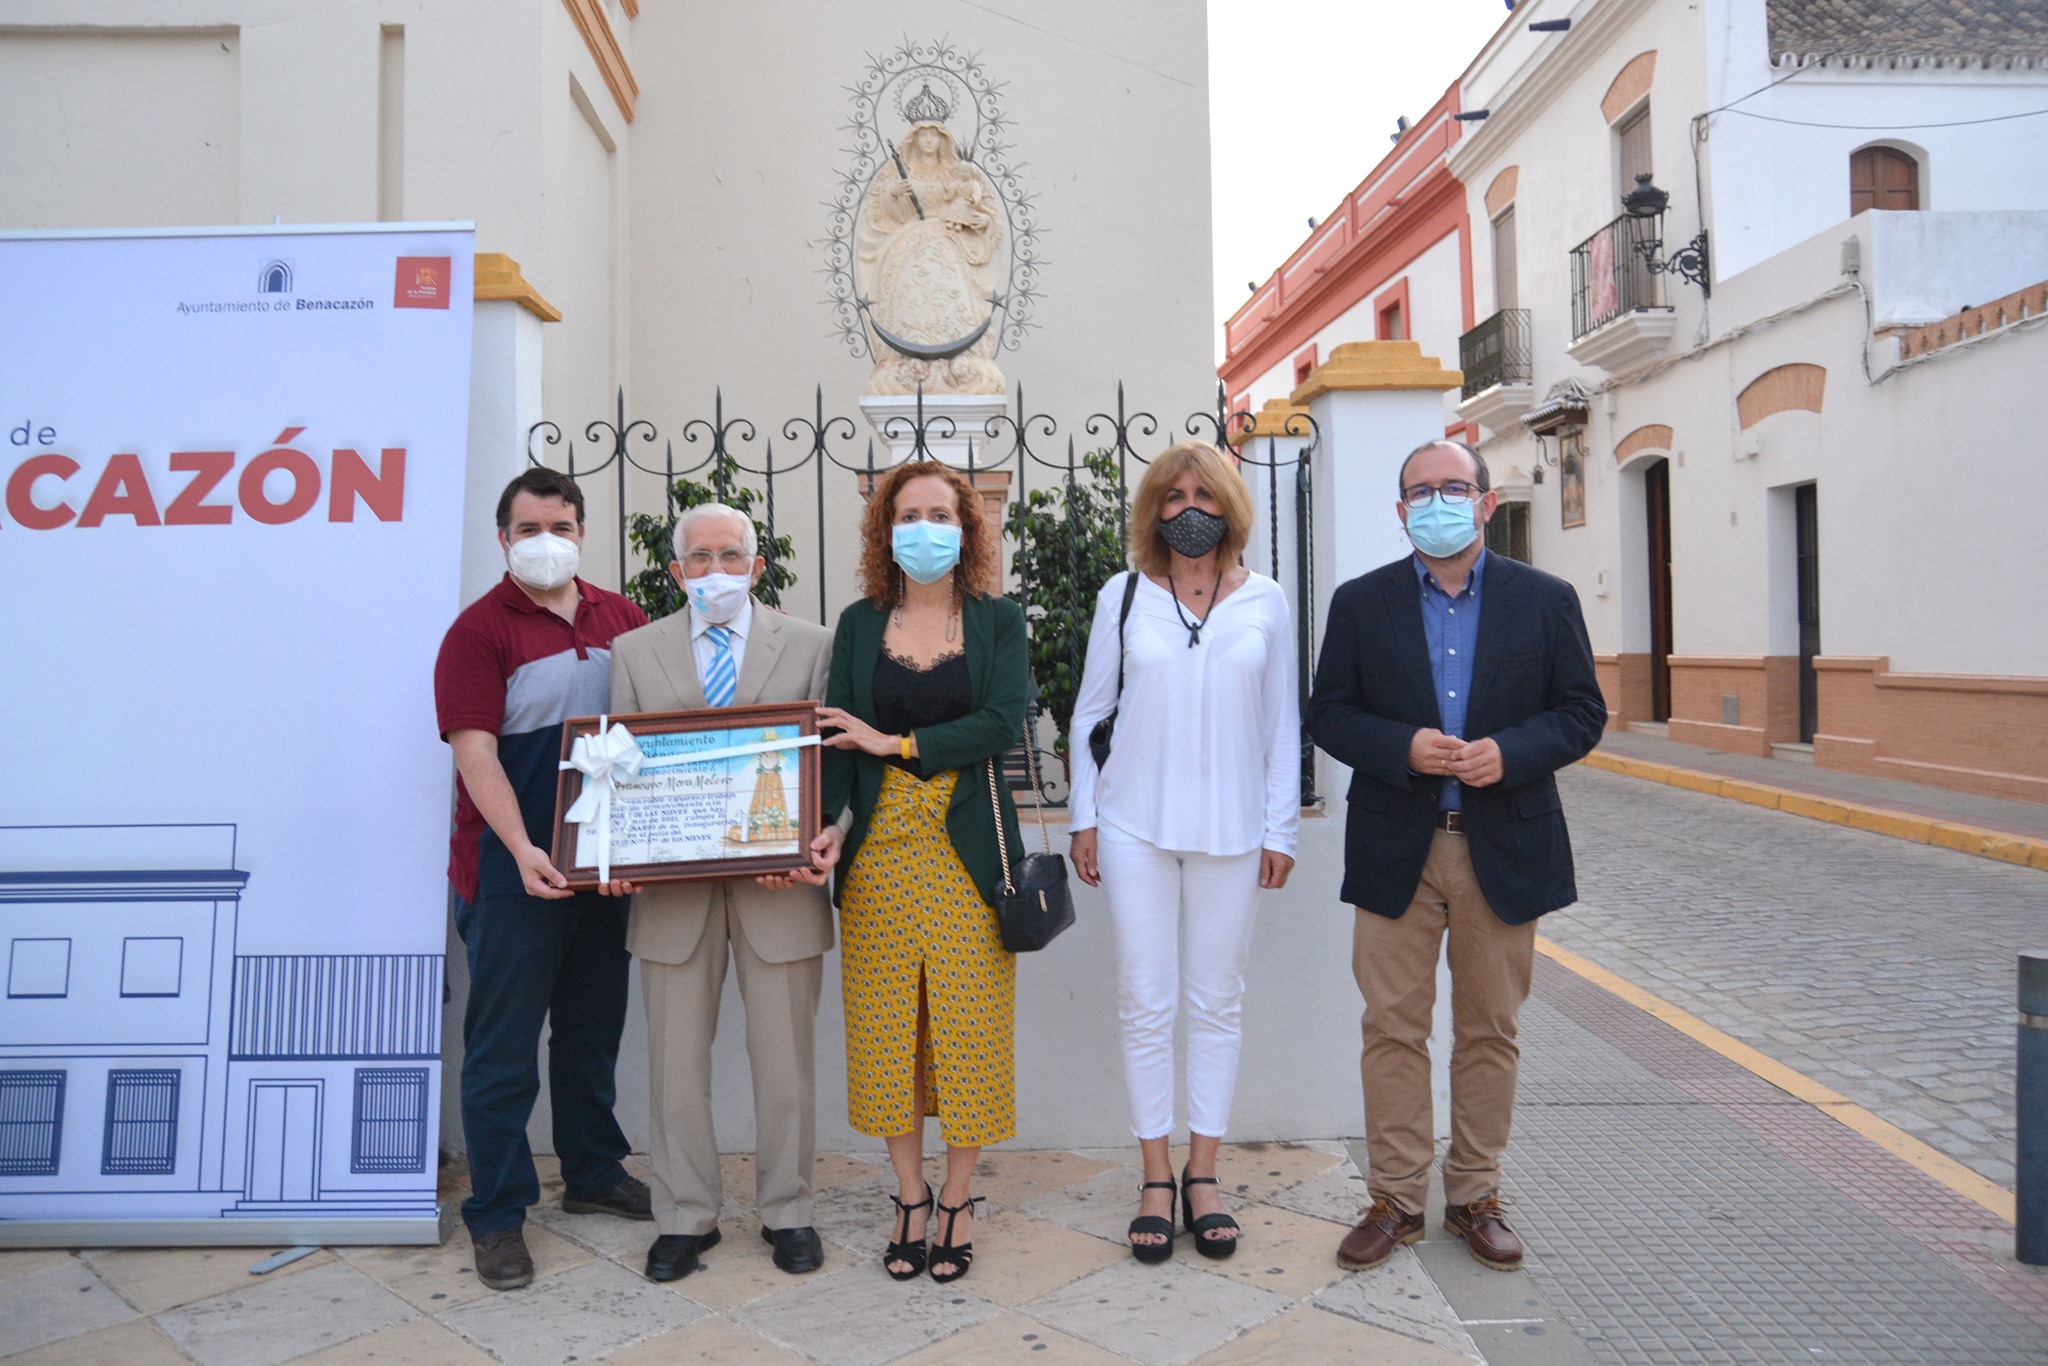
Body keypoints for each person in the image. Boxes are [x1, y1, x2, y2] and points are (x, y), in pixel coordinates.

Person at [1306, 438, 1605, 1273]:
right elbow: (1329, 713)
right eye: (1420, 492)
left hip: (1503, 848)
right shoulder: (1361, 603)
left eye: (1452, 487)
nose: (1436, 502)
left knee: (1489, 1030)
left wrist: (1510, 752)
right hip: (1396, 848)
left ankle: (1475, 1195)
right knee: (1392, 1029)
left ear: (1484, 501)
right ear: (1401, 510)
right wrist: (1402, 746)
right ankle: (1397, 1200)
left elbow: (1582, 712)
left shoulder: (1544, 600)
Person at [1066, 440, 1299, 1264]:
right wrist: (1085, 819)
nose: (1189, 509)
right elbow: (1089, 712)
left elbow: (1281, 725)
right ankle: (1155, 1178)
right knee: (1145, 999)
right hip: (1134, 826)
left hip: (1234, 832)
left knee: (1216, 1002)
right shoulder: (1124, 595)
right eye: (1173, 497)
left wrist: (1280, 829)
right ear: (1153, 511)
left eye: (1203, 495)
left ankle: (1204, 1174)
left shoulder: (1266, 600)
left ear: (1229, 506)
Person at [606, 504, 841, 1283]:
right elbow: (615, 768)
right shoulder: (633, 651)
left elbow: (832, 761)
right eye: (699, 558)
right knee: (675, 1068)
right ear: (676, 571)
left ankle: (790, 1210)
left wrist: (816, 838)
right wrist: (614, 849)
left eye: (730, 555)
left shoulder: (812, 645)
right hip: (672, 896)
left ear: (757, 565)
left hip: (780, 887)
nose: (716, 570)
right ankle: (683, 1216)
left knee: (786, 1065)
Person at [434, 467, 653, 1292]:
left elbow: (653, 739)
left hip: (603, 872)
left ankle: (593, 1171)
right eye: (528, 529)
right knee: (503, 1052)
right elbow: (475, 754)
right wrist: (524, 849)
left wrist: (639, 853)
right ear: (503, 539)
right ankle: (496, 1214)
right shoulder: (477, 632)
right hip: (508, 872)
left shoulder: (623, 620)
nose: (545, 542)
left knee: (592, 1033)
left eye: (559, 527)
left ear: (582, 533)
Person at [817, 460, 1028, 1284]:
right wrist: (831, 828)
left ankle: (959, 1199)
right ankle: (910, 1196)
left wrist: (896, 743)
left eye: (942, 514)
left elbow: (1001, 723)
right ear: (886, 529)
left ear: (967, 529)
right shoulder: (858, 624)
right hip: (877, 855)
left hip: (966, 852)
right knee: (886, 1035)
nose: (925, 529)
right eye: (909, 514)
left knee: (969, 1031)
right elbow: (840, 745)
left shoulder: (998, 620)